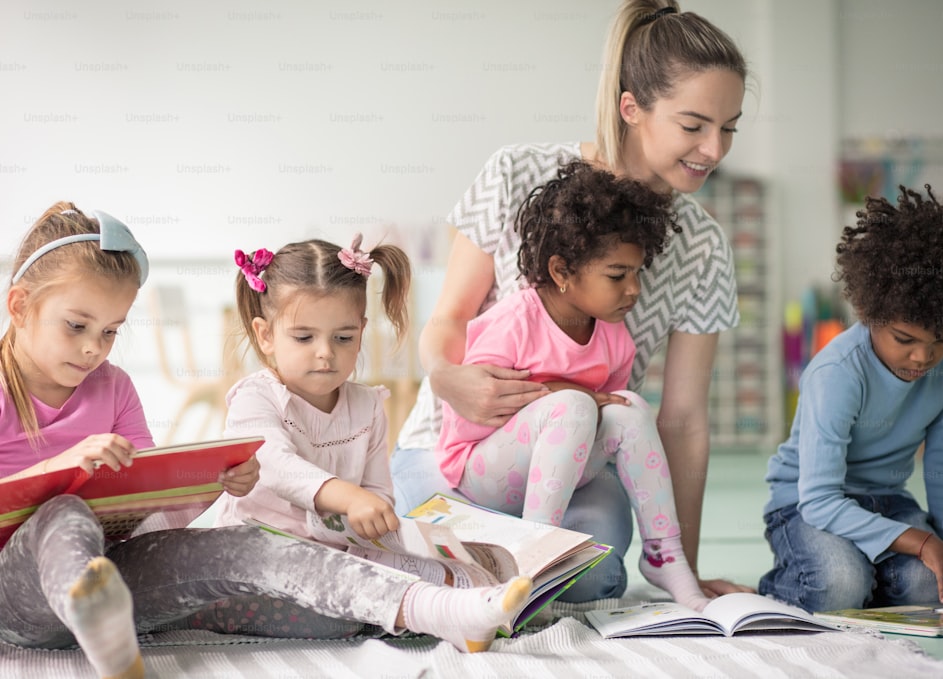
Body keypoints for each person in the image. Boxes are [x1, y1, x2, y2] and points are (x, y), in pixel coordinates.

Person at [0, 206, 529, 679]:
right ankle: (99, 626)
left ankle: (439, 612)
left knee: (249, 546)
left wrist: (209, 485)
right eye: (77, 326)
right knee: (64, 513)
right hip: (21, 600)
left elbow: (147, 510)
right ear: (20, 306)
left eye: (112, 331)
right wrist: (62, 470)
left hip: (120, 579)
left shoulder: (115, 387)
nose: (95, 348)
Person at [392, 0, 753, 600]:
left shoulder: (704, 246)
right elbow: (448, 320)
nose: (714, 150)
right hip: (454, 449)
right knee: (438, 573)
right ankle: (481, 556)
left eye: (730, 127)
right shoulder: (515, 174)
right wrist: (446, 377)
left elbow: (685, 421)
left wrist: (680, 566)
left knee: (596, 581)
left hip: (575, 465)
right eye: (694, 126)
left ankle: (517, 559)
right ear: (631, 107)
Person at [214, 237, 531, 646]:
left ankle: (478, 599)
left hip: (339, 546)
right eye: (304, 338)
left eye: (343, 338)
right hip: (262, 554)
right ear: (266, 335)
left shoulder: (367, 405)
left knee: (408, 561)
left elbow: (377, 491)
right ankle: (438, 612)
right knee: (336, 603)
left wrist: (378, 518)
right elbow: (274, 463)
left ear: (362, 331)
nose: (325, 354)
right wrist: (349, 499)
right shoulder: (256, 397)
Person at [436, 160, 708, 610]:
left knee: (631, 407)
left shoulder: (615, 338)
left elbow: (608, 419)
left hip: (556, 471)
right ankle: (534, 557)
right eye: (617, 275)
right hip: (479, 468)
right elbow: (482, 407)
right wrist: (574, 395)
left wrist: (595, 407)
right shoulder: (513, 323)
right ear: (562, 272)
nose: (634, 290)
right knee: (576, 407)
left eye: (638, 273)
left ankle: (666, 553)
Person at [758, 185, 943, 613]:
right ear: (871, 315)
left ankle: (871, 574)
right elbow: (819, 500)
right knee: (838, 586)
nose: (923, 357)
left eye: (939, 340)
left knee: (930, 593)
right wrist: (923, 541)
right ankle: (784, 583)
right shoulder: (837, 372)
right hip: (805, 505)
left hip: (887, 500)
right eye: (905, 339)